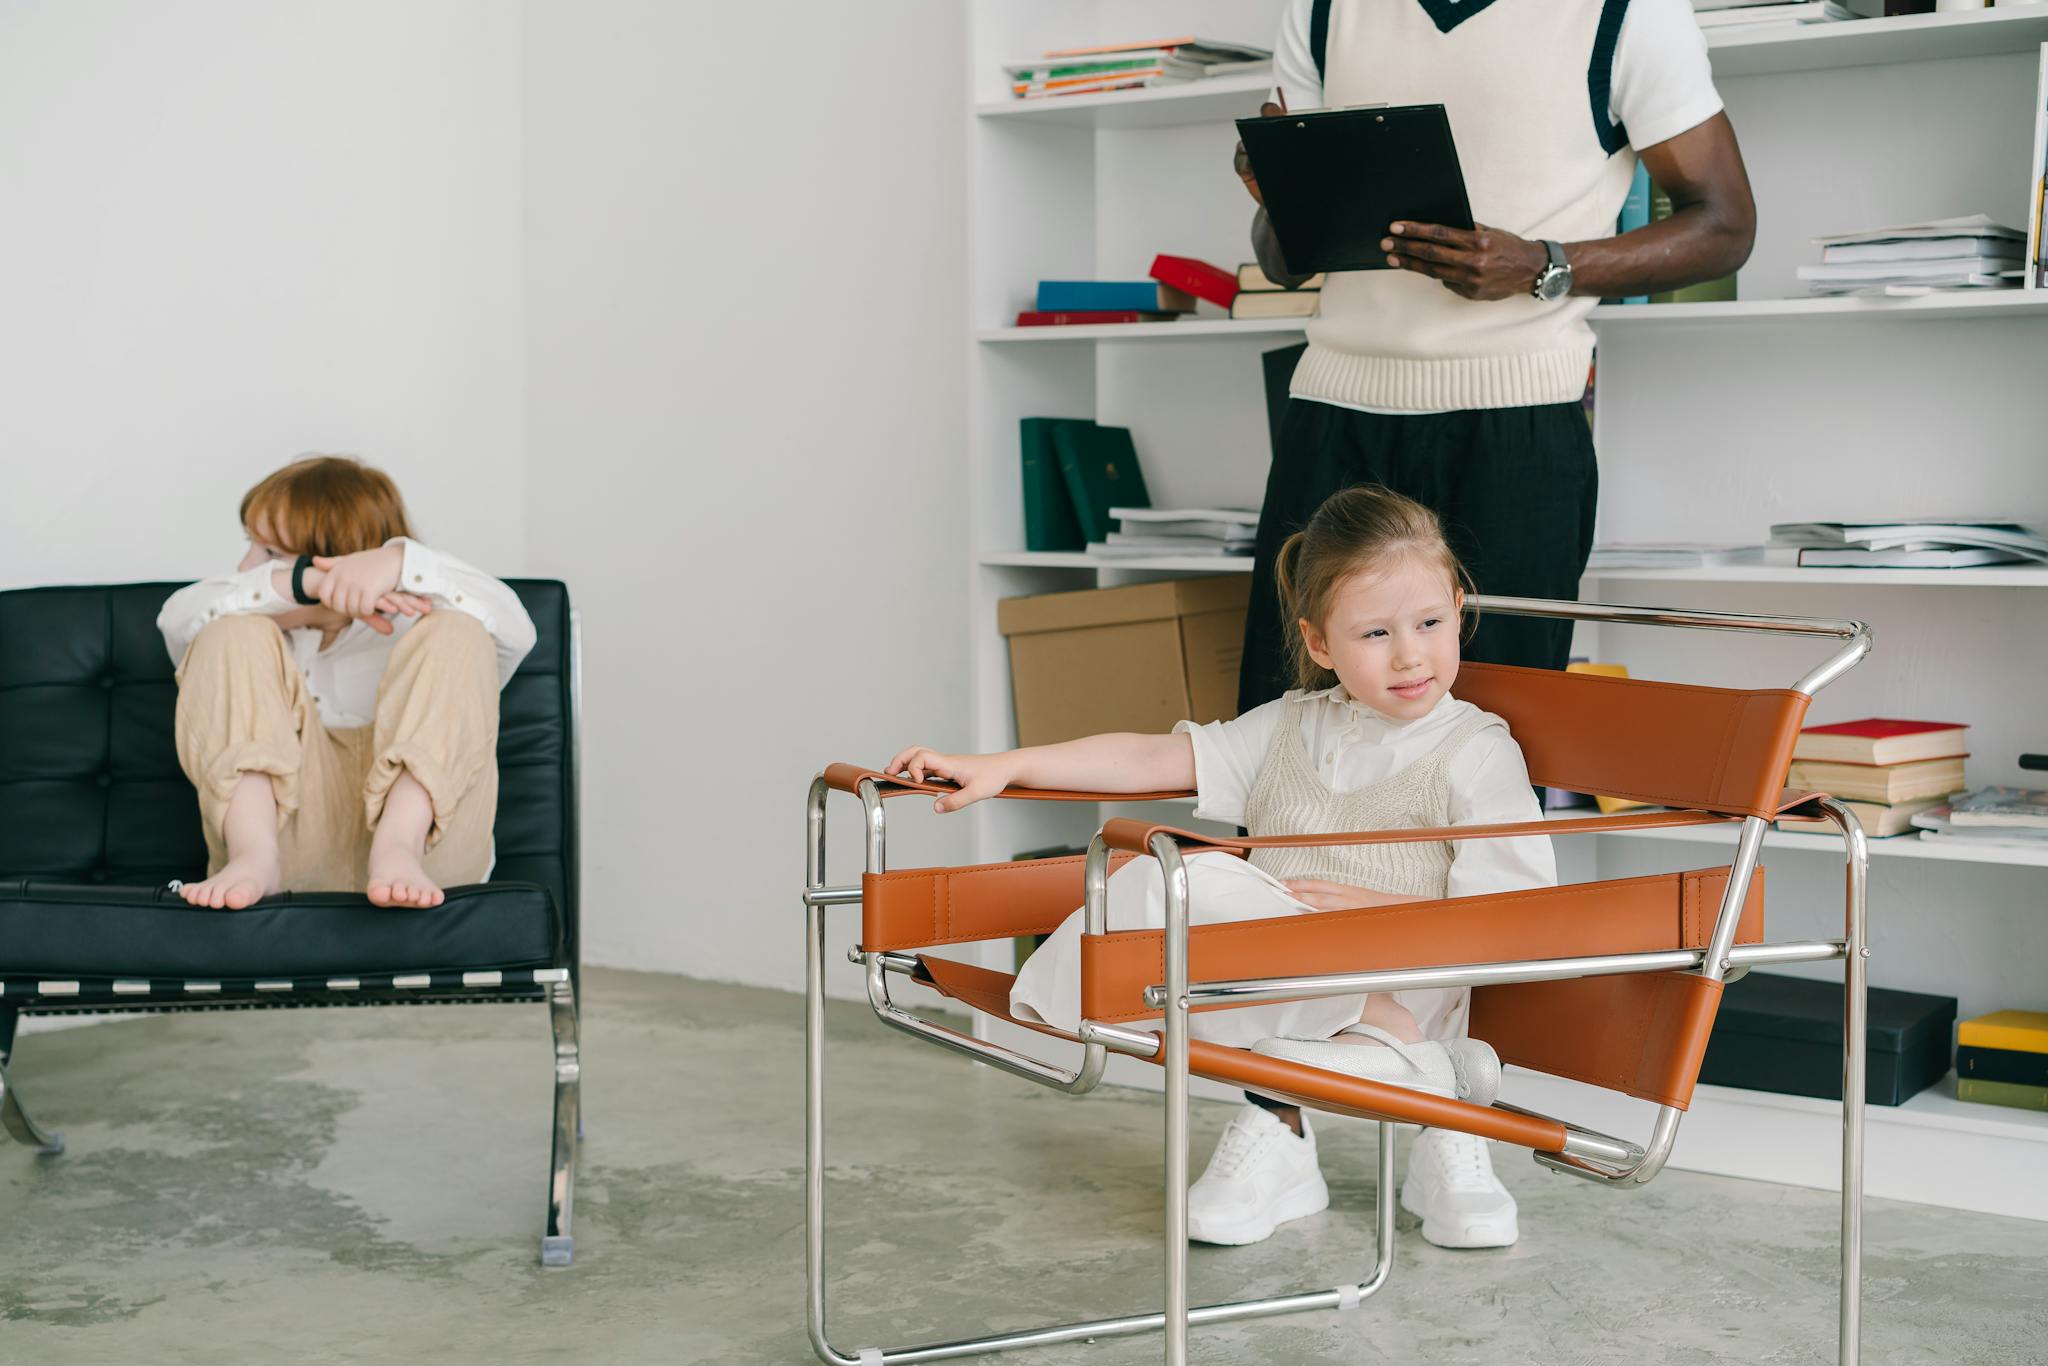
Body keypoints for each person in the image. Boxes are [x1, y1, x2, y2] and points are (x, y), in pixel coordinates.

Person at [887, 486, 1554, 1250]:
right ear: (1321, 644)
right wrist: (1003, 765)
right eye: (1375, 632)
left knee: (1202, 890)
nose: (1410, 654)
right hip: (1276, 988)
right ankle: (1344, 1100)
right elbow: (1150, 755)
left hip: (1405, 990)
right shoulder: (1290, 726)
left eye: (1431, 623)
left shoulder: (1476, 752)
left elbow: (1516, 919)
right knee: (1158, 875)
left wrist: (1372, 909)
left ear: (1458, 610)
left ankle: (1429, 1117)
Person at [1235, 0, 1757, 709]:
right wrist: (1285, 200)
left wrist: (1544, 265)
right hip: (1331, 414)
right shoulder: (1323, 10)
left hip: (1517, 429)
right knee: (1281, 729)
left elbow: (1725, 225)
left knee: (1503, 747)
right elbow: (1283, 261)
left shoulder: (1628, 10)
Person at [157, 456, 535, 911]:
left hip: (430, 858)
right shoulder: (258, 632)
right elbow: (175, 620)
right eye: (252, 547)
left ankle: (398, 846)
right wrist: (305, 581)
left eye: (271, 553)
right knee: (228, 632)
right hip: (284, 851)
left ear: (343, 554)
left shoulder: (416, 626)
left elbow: (519, 629)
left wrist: (397, 562)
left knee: (458, 630)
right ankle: (252, 855)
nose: (247, 566)